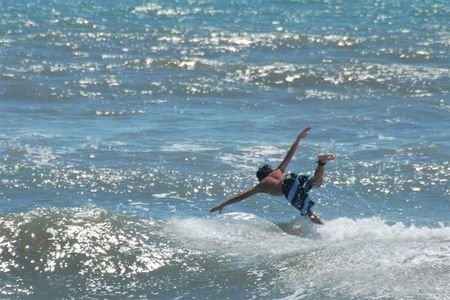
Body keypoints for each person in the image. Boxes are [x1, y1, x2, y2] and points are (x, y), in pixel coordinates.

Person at [209, 127, 335, 225]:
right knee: (316, 182)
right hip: (292, 177)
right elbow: (289, 155)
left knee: (308, 212)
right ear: (270, 171)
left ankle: (325, 228)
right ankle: (321, 162)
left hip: (287, 187)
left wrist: (222, 205)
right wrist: (298, 138)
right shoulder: (279, 170)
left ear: (261, 177)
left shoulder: (261, 185)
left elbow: (240, 196)